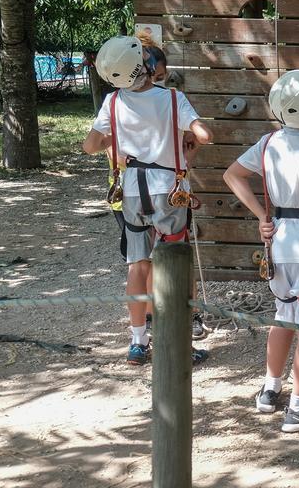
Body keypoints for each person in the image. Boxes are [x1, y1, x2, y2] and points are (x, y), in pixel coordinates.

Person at [82, 35, 213, 367]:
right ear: (144, 65)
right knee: (175, 262)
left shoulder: (112, 102)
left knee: (138, 266)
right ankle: (180, 340)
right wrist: (186, 139)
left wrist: (123, 139)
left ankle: (138, 341)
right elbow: (203, 135)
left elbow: (91, 145)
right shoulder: (171, 97)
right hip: (167, 189)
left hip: (132, 188)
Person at [223, 69, 299, 433]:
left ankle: (269, 391)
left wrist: (262, 215)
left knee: (284, 314)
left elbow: (232, 175)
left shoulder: (269, 142)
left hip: (279, 237)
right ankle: (298, 408)